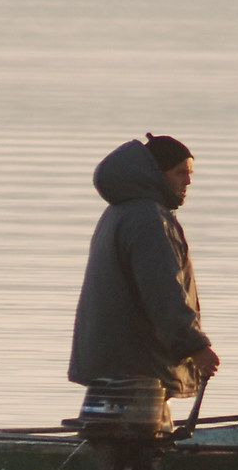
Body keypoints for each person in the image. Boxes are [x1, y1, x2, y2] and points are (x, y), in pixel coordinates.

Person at [69, 133, 220, 427]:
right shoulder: (150, 220)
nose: (188, 182)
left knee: (117, 441)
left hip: (112, 368)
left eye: (190, 174)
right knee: (142, 445)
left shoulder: (119, 213)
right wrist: (194, 347)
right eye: (180, 173)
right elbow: (163, 293)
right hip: (137, 372)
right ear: (156, 174)